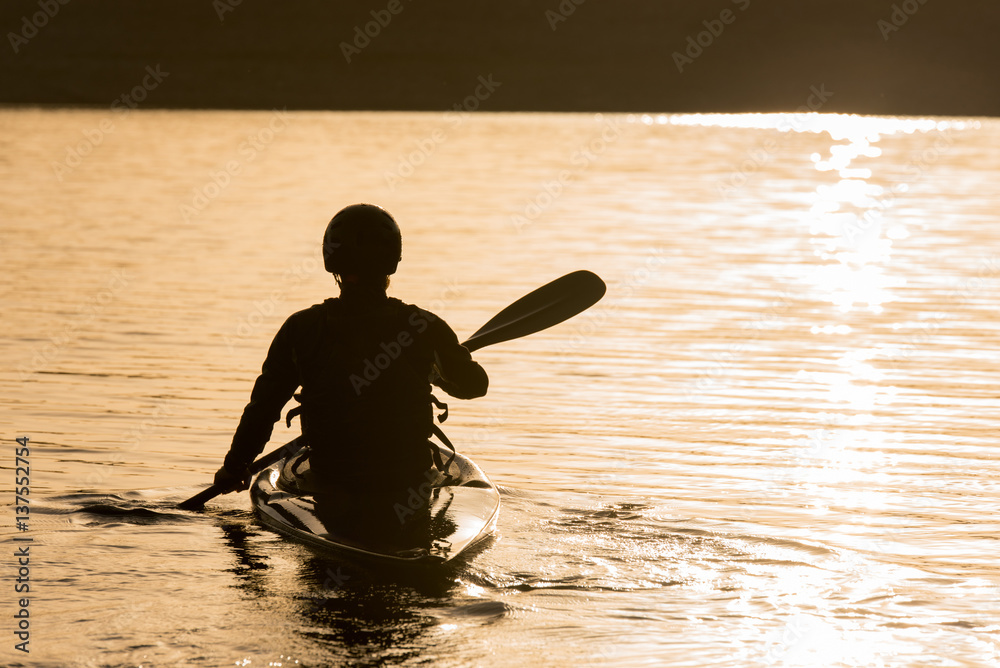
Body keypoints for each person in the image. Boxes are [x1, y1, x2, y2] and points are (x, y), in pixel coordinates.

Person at [214, 204, 488, 544]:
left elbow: (264, 407)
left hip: (333, 480)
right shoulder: (423, 326)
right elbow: (475, 386)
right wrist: (443, 366)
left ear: (332, 262)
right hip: (406, 480)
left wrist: (235, 465)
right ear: (392, 262)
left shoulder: (302, 328)